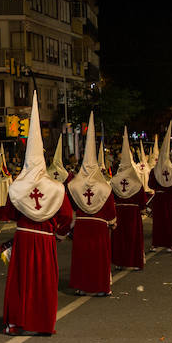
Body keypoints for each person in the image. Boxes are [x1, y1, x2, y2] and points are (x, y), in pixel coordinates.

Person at [3, 94, 73, 336]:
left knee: (22, 282)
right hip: (45, 241)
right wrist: (60, 234)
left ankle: (18, 321)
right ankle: (42, 323)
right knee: (43, 282)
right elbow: (66, 216)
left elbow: (10, 212)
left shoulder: (18, 186)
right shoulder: (56, 187)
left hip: (24, 239)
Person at [67, 114, 116, 296]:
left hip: (82, 224)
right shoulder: (103, 185)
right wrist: (112, 221)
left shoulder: (75, 185)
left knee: (83, 256)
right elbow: (110, 209)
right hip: (99, 226)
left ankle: (81, 286)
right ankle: (100, 287)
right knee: (98, 257)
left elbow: (71, 203)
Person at [110, 128, 149, 270]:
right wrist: (143, 208)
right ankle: (135, 262)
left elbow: (111, 197)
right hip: (133, 214)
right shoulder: (136, 181)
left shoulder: (114, 181)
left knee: (120, 238)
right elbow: (141, 198)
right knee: (133, 238)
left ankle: (120, 262)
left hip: (119, 212)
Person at [149, 122, 172, 252]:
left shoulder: (154, 170)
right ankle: (169, 245)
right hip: (169, 199)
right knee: (169, 222)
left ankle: (155, 244)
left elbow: (150, 184)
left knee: (158, 222)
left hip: (158, 198)